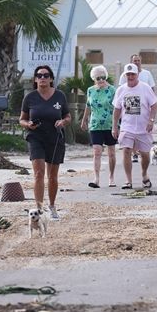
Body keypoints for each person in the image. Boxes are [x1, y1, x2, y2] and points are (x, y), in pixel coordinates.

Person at [19, 65, 71, 219]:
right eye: (39, 75)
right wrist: (28, 124)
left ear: (51, 79)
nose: (43, 78)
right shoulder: (30, 97)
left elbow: (68, 117)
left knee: (53, 175)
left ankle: (52, 206)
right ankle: (39, 208)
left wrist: (63, 122)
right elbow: (22, 119)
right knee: (39, 173)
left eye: (46, 75)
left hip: (55, 138)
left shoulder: (60, 96)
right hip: (36, 137)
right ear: (35, 79)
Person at [112, 63, 157, 190]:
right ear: (125, 75)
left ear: (137, 75)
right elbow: (116, 109)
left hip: (144, 127)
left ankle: (144, 174)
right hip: (127, 127)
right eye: (128, 74)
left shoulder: (145, 88)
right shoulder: (121, 90)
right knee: (126, 150)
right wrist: (114, 127)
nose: (130, 77)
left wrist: (151, 120)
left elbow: (154, 105)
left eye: (133, 74)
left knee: (145, 154)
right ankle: (128, 180)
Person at [80, 65, 117, 188]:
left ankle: (111, 177)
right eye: (98, 78)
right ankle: (96, 179)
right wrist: (84, 120)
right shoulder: (90, 90)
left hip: (110, 124)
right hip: (95, 124)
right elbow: (88, 105)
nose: (101, 80)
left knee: (111, 153)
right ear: (94, 79)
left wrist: (118, 124)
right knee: (97, 151)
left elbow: (118, 108)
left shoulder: (112, 90)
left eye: (103, 77)